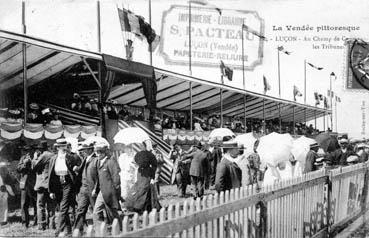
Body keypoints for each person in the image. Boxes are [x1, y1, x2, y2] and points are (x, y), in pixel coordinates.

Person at [48, 139, 81, 236]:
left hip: (68, 183)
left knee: (63, 208)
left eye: (64, 146)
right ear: (57, 147)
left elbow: (78, 165)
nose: (63, 148)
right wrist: (51, 191)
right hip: (57, 184)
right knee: (62, 209)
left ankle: (58, 231)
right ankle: (69, 230)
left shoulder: (71, 157)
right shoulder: (53, 158)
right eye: (60, 146)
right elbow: (50, 175)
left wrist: (76, 168)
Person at [93, 141, 121, 231]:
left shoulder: (110, 162)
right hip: (102, 192)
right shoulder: (99, 163)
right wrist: (95, 189)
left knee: (113, 212)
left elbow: (116, 178)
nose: (98, 154)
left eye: (99, 152)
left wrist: (115, 192)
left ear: (104, 152)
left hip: (110, 192)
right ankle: (100, 231)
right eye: (97, 152)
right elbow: (99, 178)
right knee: (96, 212)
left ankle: (120, 228)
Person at [125, 141, 161, 213]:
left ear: (145, 146)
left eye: (142, 145)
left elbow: (154, 165)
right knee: (138, 188)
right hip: (140, 173)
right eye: (140, 145)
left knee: (144, 189)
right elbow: (134, 162)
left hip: (147, 173)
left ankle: (141, 206)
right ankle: (137, 205)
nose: (141, 147)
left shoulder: (150, 154)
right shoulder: (138, 154)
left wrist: (152, 175)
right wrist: (136, 165)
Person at [73, 142, 99, 234]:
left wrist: (96, 189)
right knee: (80, 209)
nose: (83, 151)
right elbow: (83, 170)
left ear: (90, 150)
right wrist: (77, 169)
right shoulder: (85, 158)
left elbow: (98, 176)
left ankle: (98, 228)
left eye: (85, 150)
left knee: (95, 210)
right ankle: (77, 230)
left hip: (92, 188)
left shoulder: (96, 159)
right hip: (83, 188)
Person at [32, 141, 56, 230]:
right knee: (51, 206)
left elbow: (34, 167)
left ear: (41, 149)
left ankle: (41, 225)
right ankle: (51, 224)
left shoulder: (44, 155)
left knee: (41, 205)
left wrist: (34, 158)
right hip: (51, 184)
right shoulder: (53, 155)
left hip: (42, 184)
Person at [17, 145, 37, 228]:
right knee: (24, 204)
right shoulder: (23, 158)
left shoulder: (36, 158)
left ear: (33, 150)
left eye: (30, 150)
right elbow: (18, 169)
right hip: (24, 184)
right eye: (26, 150)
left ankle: (36, 221)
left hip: (34, 184)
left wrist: (32, 163)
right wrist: (24, 164)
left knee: (36, 204)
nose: (28, 152)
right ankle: (25, 223)